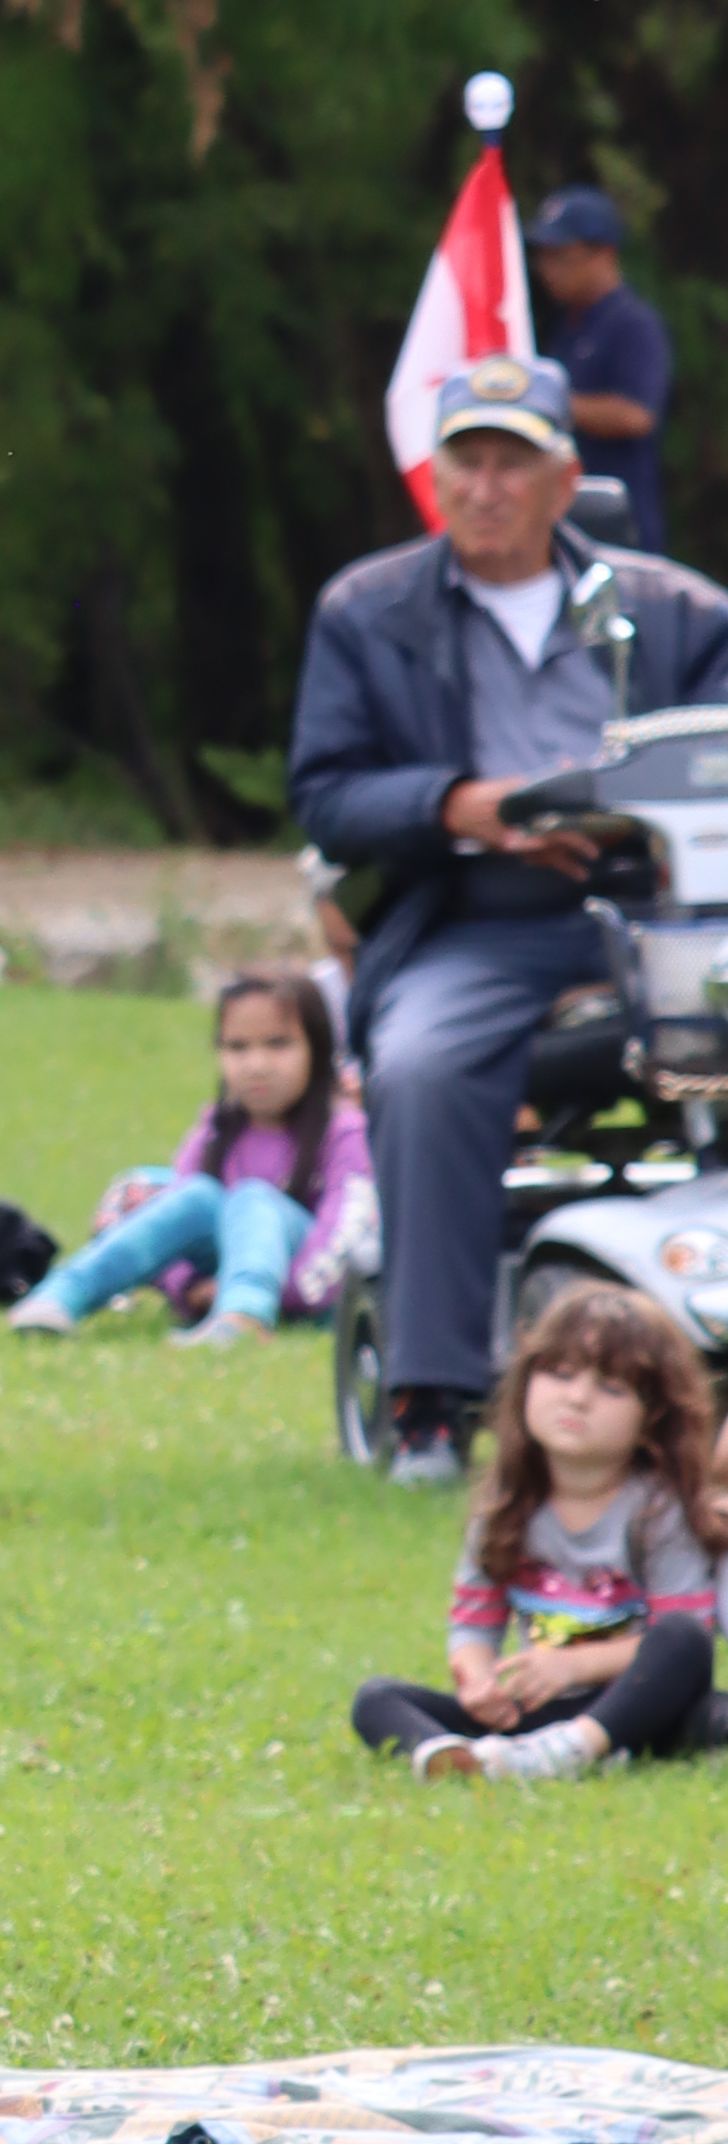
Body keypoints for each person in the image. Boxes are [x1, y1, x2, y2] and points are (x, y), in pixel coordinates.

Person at [288, 352, 728, 1475]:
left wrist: (638, 812)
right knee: (424, 1064)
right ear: (432, 473)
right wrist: (462, 807)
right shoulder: (366, 610)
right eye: (464, 462)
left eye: (511, 463)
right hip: (473, 915)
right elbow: (325, 791)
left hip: (662, 911)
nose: (485, 487)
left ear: (562, 475)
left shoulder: (671, 611)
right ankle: (432, 1398)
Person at [351, 1281, 720, 1785]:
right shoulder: (503, 1505)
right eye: (560, 1374)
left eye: (610, 1388)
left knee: (687, 1654)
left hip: (636, 1701)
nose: (577, 1398)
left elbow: (684, 1636)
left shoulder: (657, 1510)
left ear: (651, 1420)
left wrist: (572, 1667)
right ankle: (455, 1757)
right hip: (534, 1710)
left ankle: (573, 1750)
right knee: (376, 1698)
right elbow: (474, 1625)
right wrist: (478, 1680)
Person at [3, 972, 371, 1349]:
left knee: (253, 1199)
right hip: (219, 1281)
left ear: (318, 1048)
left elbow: (343, 1242)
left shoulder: (344, 1131)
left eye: (278, 1044)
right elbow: (168, 1221)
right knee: (197, 1195)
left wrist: (278, 1295)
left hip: (301, 1283)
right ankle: (62, 1296)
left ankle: (245, 1316)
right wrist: (189, 1288)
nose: (256, 1064)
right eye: (237, 1047)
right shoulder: (216, 1126)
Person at [530, 187, 674, 560]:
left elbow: (636, 415)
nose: (549, 269)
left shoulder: (632, 323)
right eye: (543, 256)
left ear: (603, 254)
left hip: (619, 526)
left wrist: (547, 401)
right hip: (566, 519)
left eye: (561, 255)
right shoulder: (567, 326)